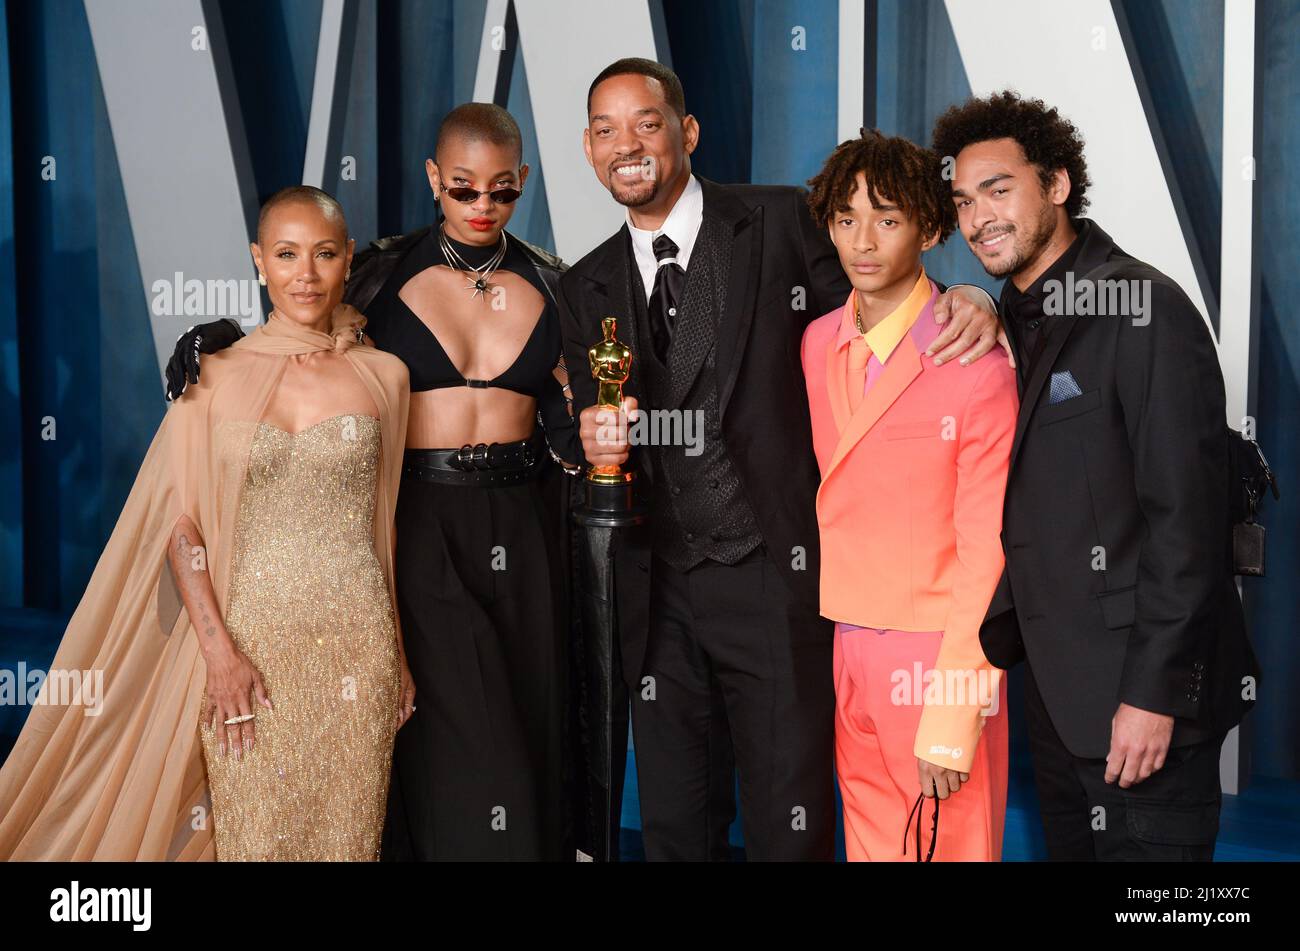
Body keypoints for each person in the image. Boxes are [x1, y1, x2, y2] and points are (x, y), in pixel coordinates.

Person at [557, 58, 1008, 861]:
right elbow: (570, 424)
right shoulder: (583, 283)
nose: (627, 145)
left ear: (687, 133)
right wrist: (583, 439)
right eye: (605, 130)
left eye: (647, 124)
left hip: (777, 573)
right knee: (673, 821)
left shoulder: (785, 219)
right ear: (588, 150)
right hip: (657, 589)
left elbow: (885, 297)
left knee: (787, 813)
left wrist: (977, 297)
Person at [165, 104, 581, 861]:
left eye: (500, 191)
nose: (483, 206)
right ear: (434, 181)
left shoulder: (558, 285)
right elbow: (303, 318)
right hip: (422, 523)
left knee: (532, 728)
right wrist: (220, 337)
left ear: (522, 183)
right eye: (463, 189)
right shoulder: (381, 272)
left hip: (527, 527)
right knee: (470, 748)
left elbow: (576, 404)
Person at [0, 186, 415, 860]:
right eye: (286, 254)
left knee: (348, 842)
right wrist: (220, 653)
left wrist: (396, 652)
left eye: (324, 254)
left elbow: (383, 527)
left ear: (347, 262)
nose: (305, 274)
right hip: (249, 648)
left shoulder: (386, 377)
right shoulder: (210, 375)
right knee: (253, 838)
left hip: (356, 647)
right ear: (258, 260)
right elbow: (181, 531)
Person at [934, 91, 1259, 860]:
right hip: (1056, 699)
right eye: (962, 201)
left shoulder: (1143, 307)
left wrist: (1153, 694)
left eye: (999, 189)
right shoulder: (1004, 317)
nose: (979, 218)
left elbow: (1188, 525)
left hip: (1144, 704)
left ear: (1057, 185)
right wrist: (978, 298)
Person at [800, 129, 1016, 861]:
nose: (863, 240)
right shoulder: (816, 341)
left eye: (887, 219)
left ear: (929, 228)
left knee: (947, 848)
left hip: (937, 652)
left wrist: (954, 713)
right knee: (868, 846)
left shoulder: (975, 362)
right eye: (846, 218)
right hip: (847, 637)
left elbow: (986, 554)